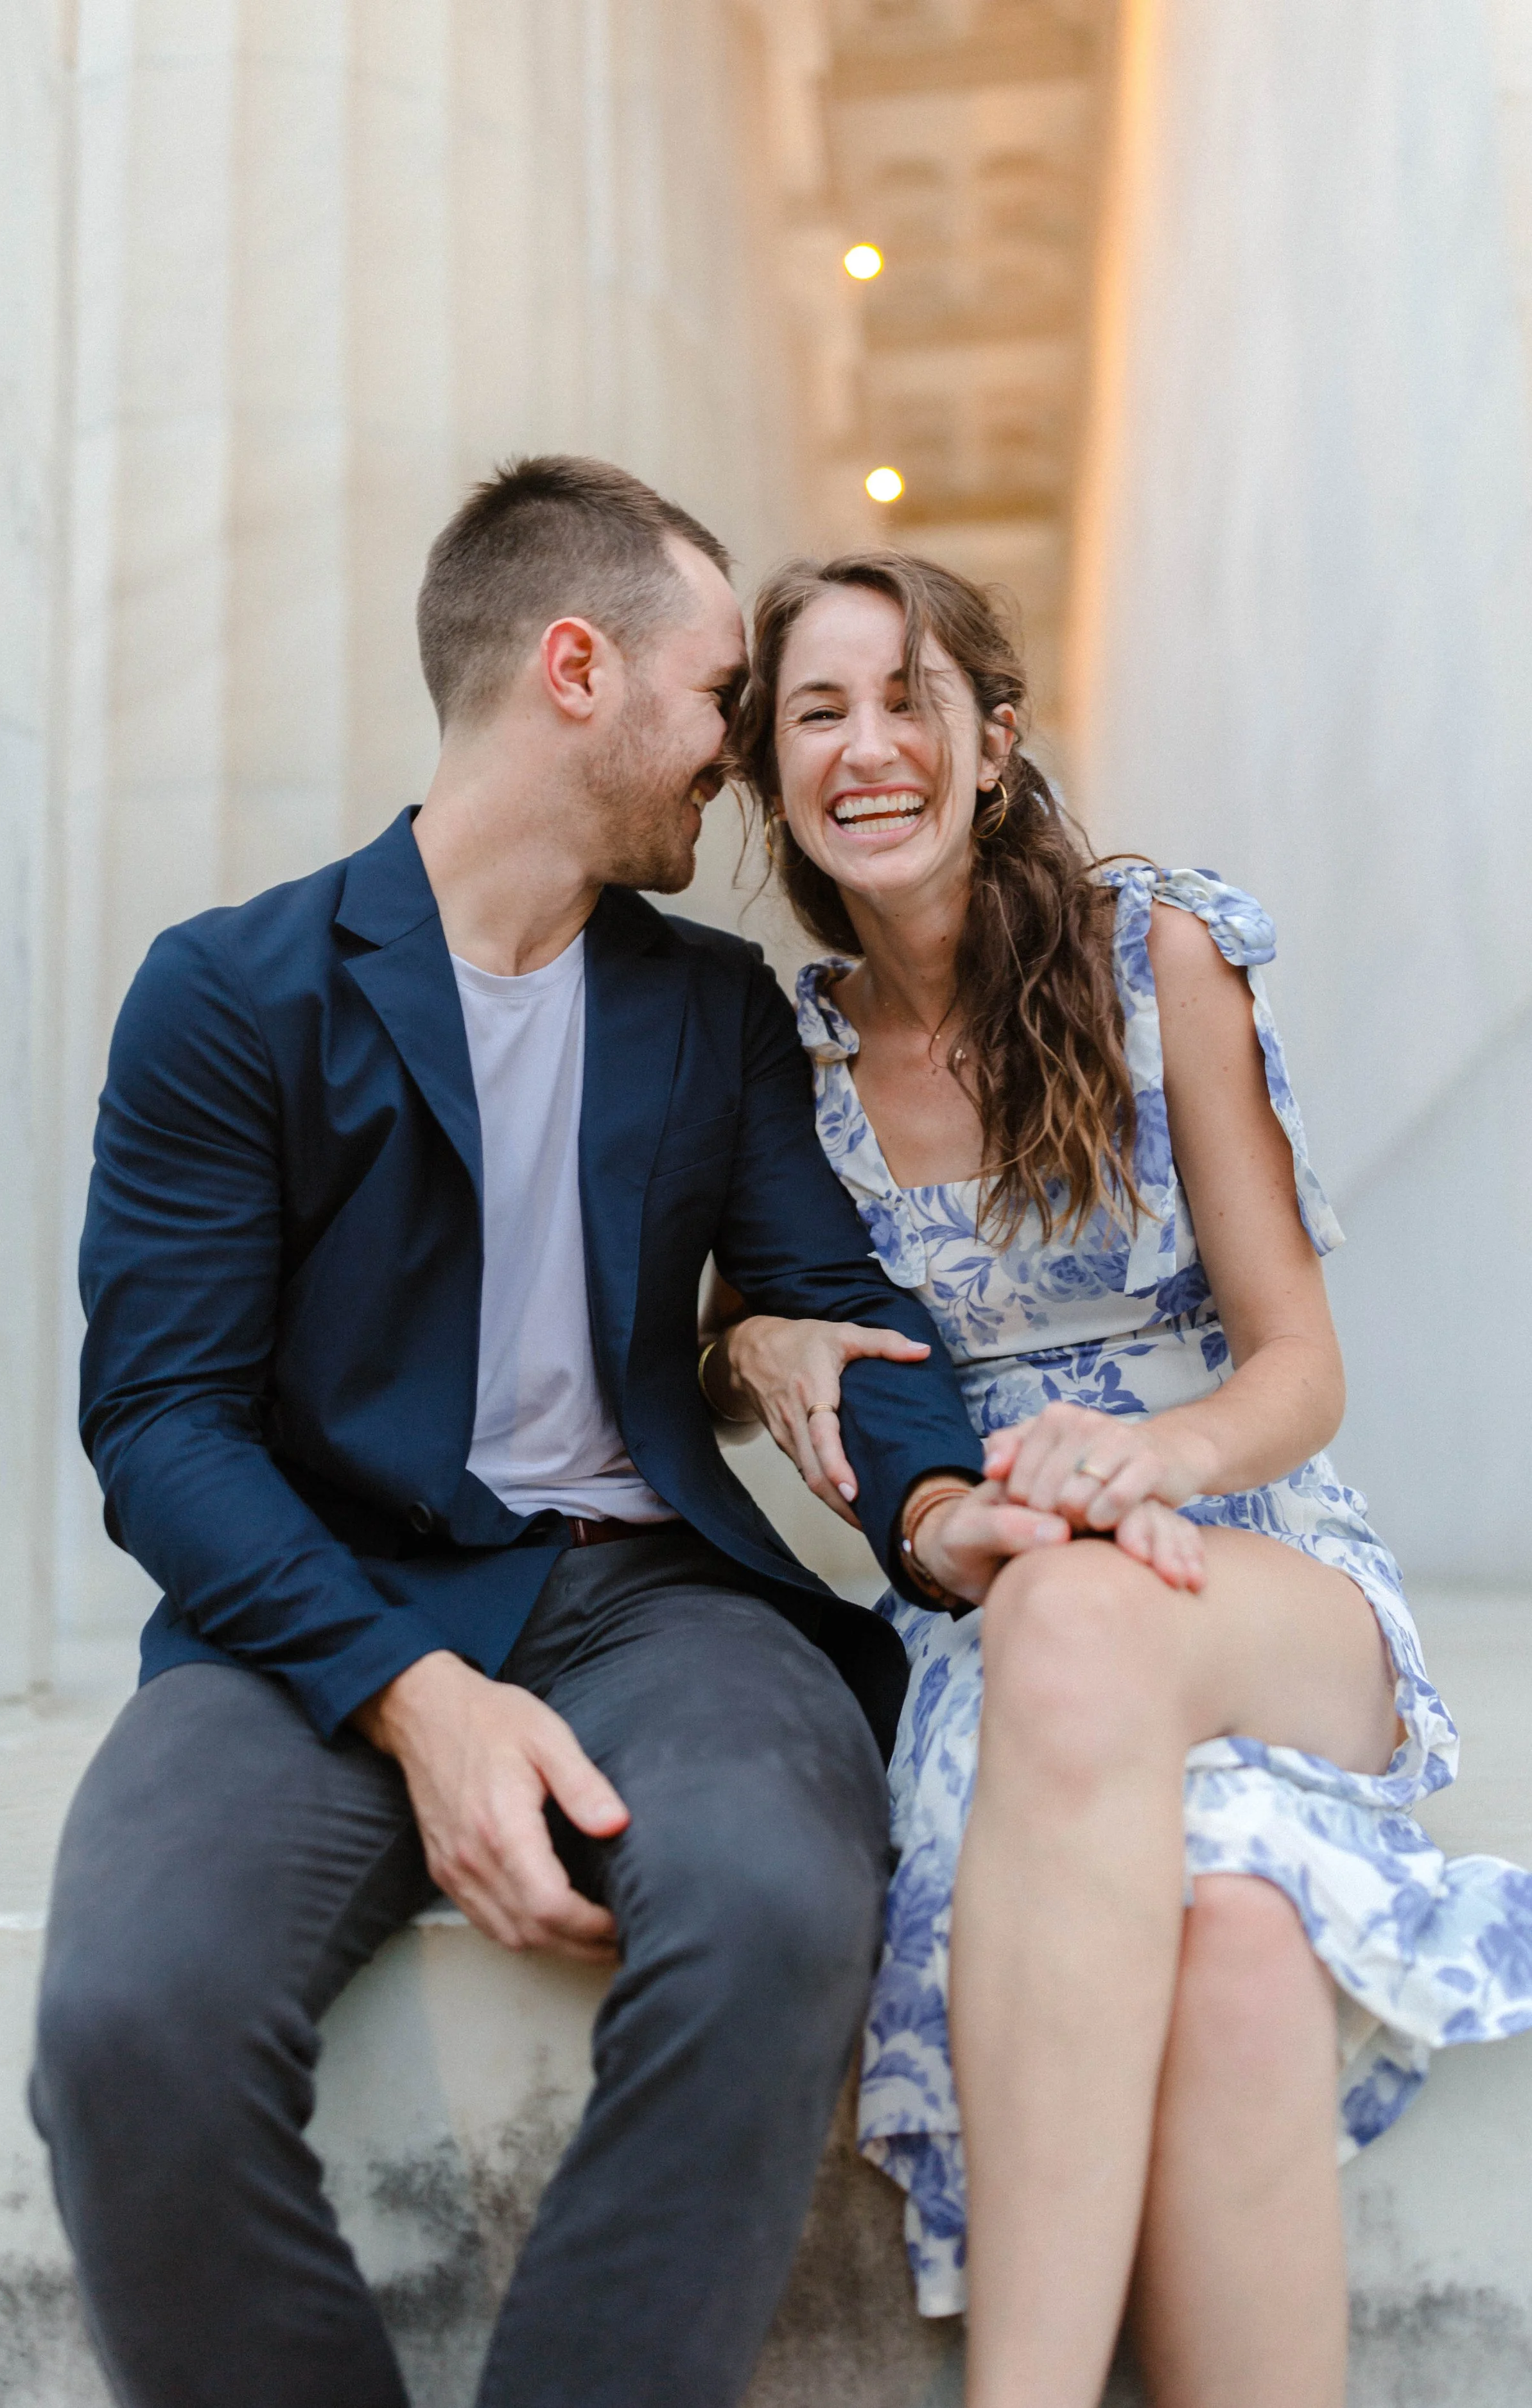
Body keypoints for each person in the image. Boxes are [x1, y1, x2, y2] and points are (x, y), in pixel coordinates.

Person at [28, 462, 1086, 2408]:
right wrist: (413, 1692)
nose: (743, 753)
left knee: (774, 1908)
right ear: (575, 669)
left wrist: (939, 1508)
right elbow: (160, 1425)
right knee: (128, 2017)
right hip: (314, 1610)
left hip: (656, 1607)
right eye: (721, 696)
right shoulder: (229, 993)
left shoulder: (713, 1007)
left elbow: (844, 1301)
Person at [705, 550, 1532, 2408]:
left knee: (1081, 1607)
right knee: (1232, 1947)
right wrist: (749, 1350)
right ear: (766, 772)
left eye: (905, 695)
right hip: (991, 1580)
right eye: (813, 711)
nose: (865, 746)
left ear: (992, 737)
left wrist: (1141, 1457)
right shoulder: (789, 1054)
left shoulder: (1149, 951)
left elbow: (1299, 1366)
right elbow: (760, 1359)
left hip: (1243, 1551)